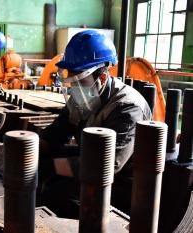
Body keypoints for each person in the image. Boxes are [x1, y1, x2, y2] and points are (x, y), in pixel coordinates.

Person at [37, 30, 152, 218]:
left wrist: (51, 167)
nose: (75, 88)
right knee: (43, 166)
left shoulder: (128, 107)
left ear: (103, 77)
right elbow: (58, 131)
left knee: (57, 192)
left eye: (80, 81)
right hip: (91, 160)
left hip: (123, 183)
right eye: (72, 81)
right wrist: (32, 151)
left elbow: (107, 166)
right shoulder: (82, 96)